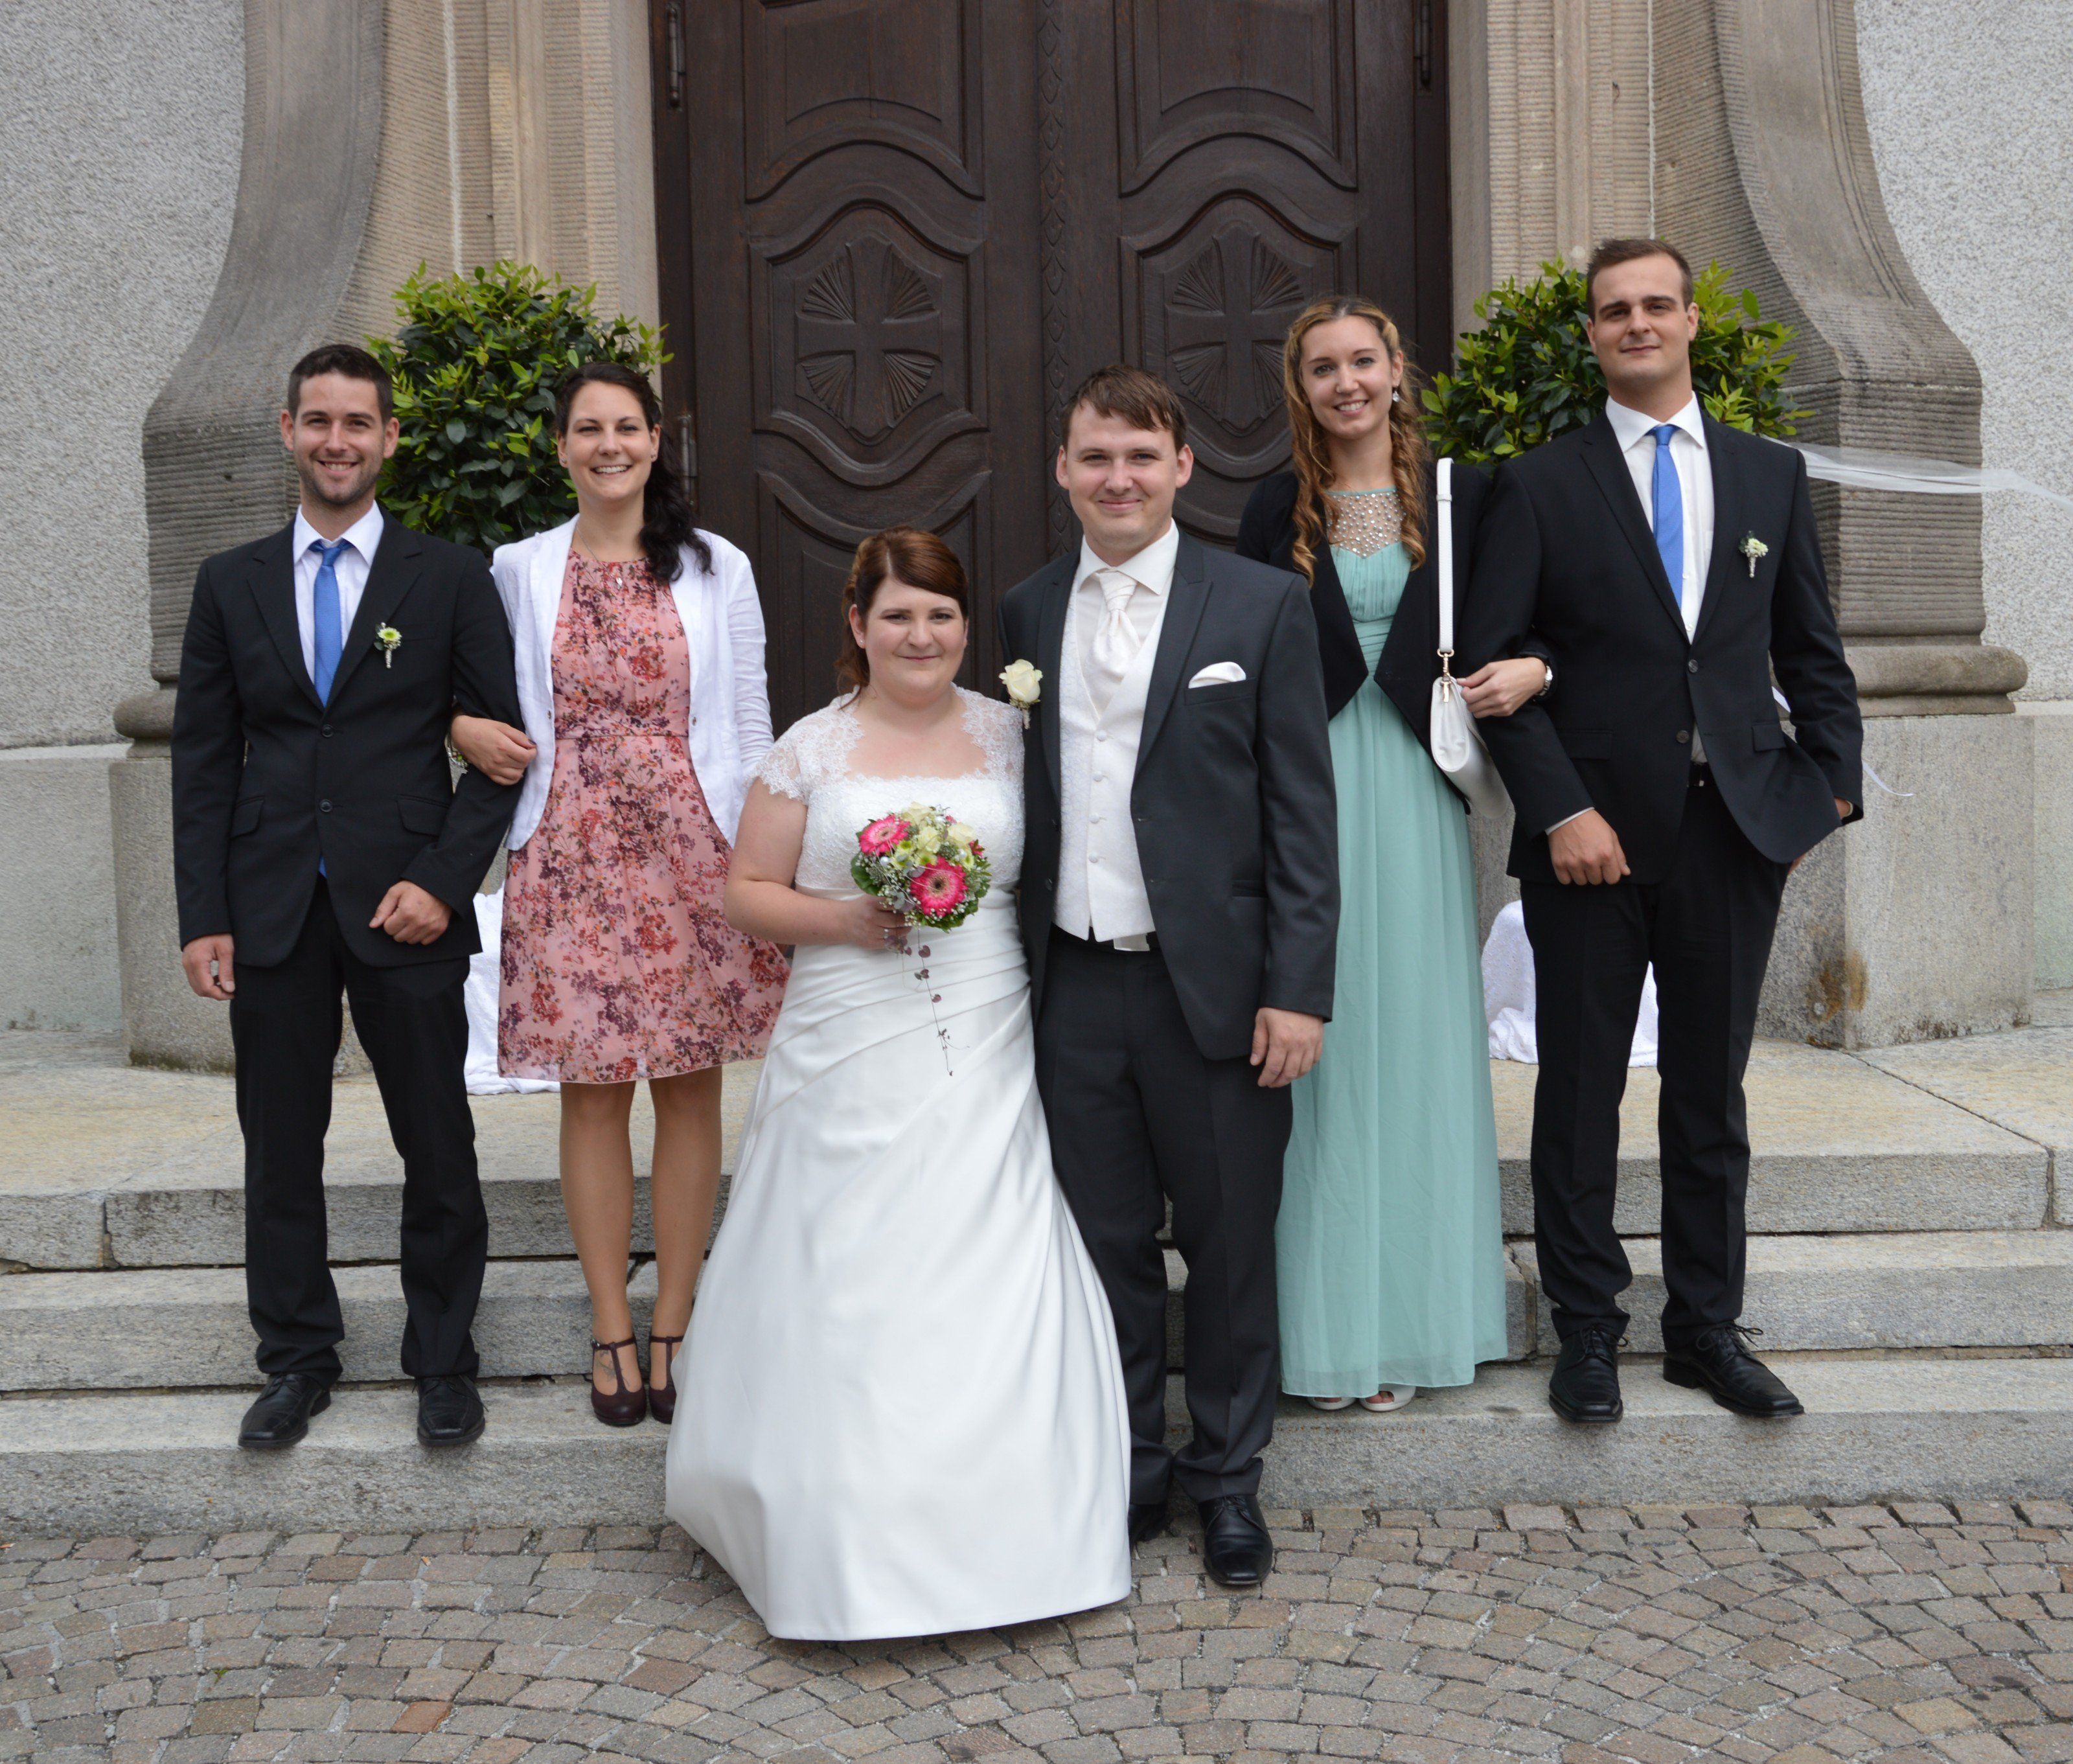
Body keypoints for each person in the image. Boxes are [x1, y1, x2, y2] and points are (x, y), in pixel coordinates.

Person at [665, 526, 1130, 1640]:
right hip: (848, 1029)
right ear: (858, 627)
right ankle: (839, 1538)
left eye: (940, 615)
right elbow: (745, 891)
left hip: (987, 1028)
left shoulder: (1018, 740)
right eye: (897, 615)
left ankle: (1014, 1533)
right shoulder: (810, 751)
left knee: (987, 1254)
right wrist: (842, 919)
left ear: (967, 629)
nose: (920, 635)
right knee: (848, 1266)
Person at [1460, 237, 1863, 1425]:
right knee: (1579, 1093)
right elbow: (1491, 671)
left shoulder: (1767, 476)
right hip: (1591, 842)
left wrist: (1825, 793)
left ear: (1691, 321)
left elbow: (1812, 656)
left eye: (1655, 305)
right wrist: (1563, 809)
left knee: (1709, 1097)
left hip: (1734, 835)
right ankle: (1588, 1331)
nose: (1635, 323)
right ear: (1590, 335)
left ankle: (1705, 1331)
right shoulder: (1537, 483)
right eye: (1612, 311)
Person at [999, 366, 1339, 1588]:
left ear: (1184, 468)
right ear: (1064, 470)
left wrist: (1298, 989)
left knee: (1233, 1246)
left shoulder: (1258, 607)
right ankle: (1133, 1467)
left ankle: (1230, 1482)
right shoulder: (1028, 614)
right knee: (1105, 1249)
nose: (1119, 479)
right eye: (1096, 457)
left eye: (1142, 457)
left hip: (1222, 993)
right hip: (1076, 989)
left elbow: (1303, 812)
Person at [171, 343, 523, 1450]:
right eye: (317, 421)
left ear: (390, 439)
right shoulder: (228, 582)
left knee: (438, 1139)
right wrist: (203, 914)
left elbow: (503, 756)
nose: (337, 441)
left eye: (358, 423)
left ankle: (443, 1359)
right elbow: (202, 760)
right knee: (280, 1147)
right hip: (270, 904)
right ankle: (296, 1360)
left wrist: (443, 880)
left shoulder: (450, 576)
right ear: (288, 432)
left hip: (406, 903)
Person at [448, 362, 788, 1428]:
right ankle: (610, 1326)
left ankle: (677, 1322)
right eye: (587, 430)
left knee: (690, 1086)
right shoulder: (517, 569)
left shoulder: (714, 564)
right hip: (568, 847)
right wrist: (457, 726)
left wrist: (761, 858)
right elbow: (473, 697)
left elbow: (748, 720)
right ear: (560, 447)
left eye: (627, 427)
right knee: (590, 1093)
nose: (609, 446)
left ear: (653, 442)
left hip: (695, 849)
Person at [1237, 296, 1550, 1412]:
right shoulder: (1275, 505)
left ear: (1396, 370)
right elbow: (1243, 648)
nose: (1346, 383)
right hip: (1308, 787)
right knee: (1328, 1046)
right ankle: (1328, 1331)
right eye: (1322, 367)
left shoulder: (1470, 496)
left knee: (1410, 1045)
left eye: (1362, 360)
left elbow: (1545, 617)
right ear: (1301, 386)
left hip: (1417, 793)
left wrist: (1539, 670)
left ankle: (1414, 1324)